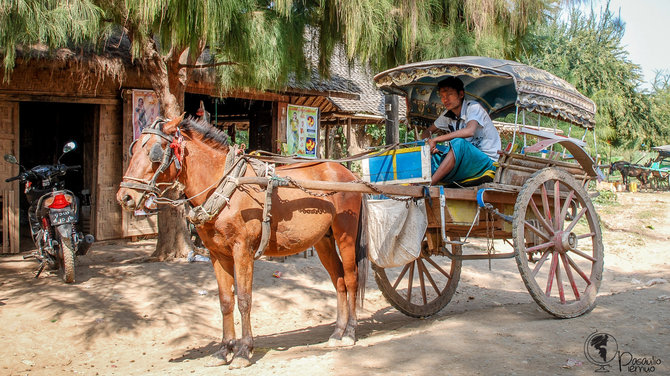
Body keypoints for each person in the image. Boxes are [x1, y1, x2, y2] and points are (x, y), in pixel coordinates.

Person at [421, 76, 501, 186]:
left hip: (487, 162)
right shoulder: (447, 115)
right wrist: (429, 144)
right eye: (442, 96)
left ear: (461, 94)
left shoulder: (473, 107)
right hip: (467, 161)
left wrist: (437, 139)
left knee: (459, 143)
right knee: (430, 150)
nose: (445, 99)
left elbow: (469, 131)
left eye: (449, 95)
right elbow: (426, 132)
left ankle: (430, 184)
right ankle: (419, 180)